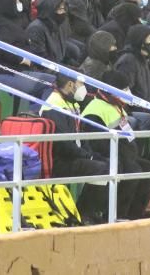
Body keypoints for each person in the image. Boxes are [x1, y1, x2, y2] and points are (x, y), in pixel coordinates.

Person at [81, 70, 150, 219]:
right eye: (124, 89)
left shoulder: (118, 107)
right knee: (133, 171)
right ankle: (117, 215)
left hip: (126, 155)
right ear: (111, 91)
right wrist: (124, 156)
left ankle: (135, 214)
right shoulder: (95, 110)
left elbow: (128, 135)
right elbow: (97, 143)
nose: (128, 92)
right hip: (109, 156)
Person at [40, 75, 109, 223]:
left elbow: (80, 136)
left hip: (74, 156)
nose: (83, 88)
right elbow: (63, 144)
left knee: (108, 163)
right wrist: (87, 156)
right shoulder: (53, 106)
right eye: (81, 83)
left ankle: (91, 211)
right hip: (59, 160)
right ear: (71, 84)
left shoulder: (71, 104)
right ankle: (84, 214)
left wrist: (90, 154)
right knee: (102, 168)